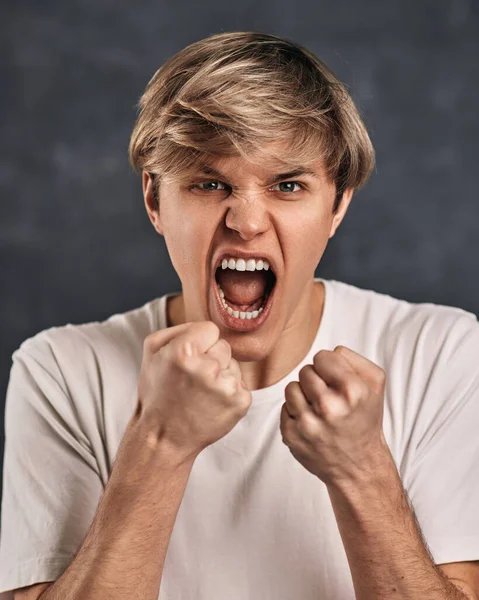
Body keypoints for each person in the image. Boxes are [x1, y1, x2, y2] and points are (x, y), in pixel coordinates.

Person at [0, 30, 478, 600]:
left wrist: (362, 471)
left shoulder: (442, 352)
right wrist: (160, 444)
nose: (246, 222)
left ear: (338, 204)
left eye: (288, 185)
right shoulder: (60, 370)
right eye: (209, 183)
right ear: (155, 200)